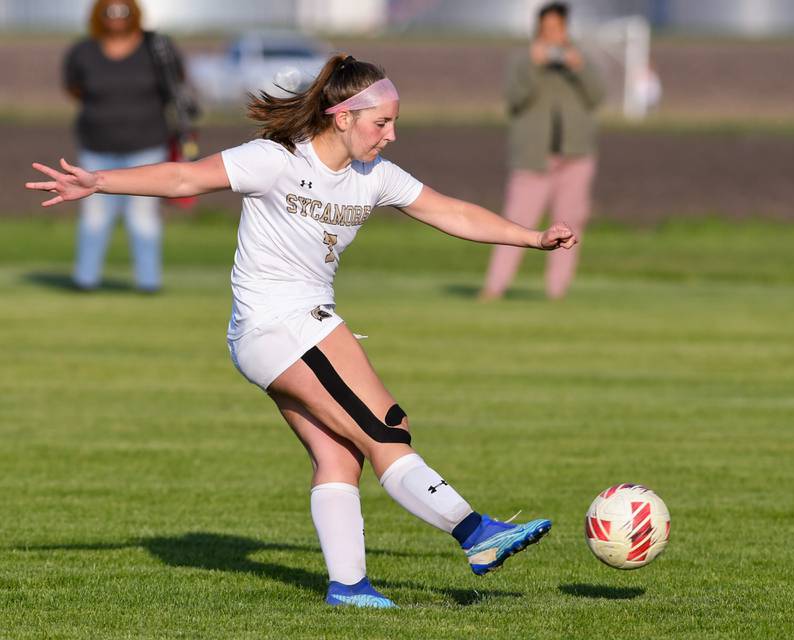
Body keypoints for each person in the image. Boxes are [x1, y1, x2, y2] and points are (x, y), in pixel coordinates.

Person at [27, 54, 578, 608]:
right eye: (381, 123)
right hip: (283, 323)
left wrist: (530, 239)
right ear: (343, 117)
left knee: (341, 456)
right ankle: (475, 533)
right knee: (388, 428)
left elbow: (452, 212)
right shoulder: (275, 160)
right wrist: (99, 182)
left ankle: (349, 587)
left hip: (276, 332)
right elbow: (183, 176)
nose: (392, 135)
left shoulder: (375, 177)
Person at [63, 0, 193, 292]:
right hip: (96, 146)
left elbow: (177, 83)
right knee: (95, 216)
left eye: (123, 12)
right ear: (99, 15)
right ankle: (85, 281)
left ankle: (148, 283)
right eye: (110, 12)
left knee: (143, 217)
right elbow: (73, 88)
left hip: (147, 145)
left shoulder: (156, 48)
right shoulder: (83, 52)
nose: (116, 18)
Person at [480, 1, 604, 301]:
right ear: (539, 30)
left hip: (575, 156)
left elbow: (597, 96)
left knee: (570, 226)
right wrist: (534, 67)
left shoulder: (579, 62)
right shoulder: (522, 61)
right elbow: (514, 99)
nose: (553, 35)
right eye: (547, 29)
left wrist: (579, 68)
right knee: (514, 224)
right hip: (534, 158)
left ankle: (557, 291)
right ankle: (494, 287)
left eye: (558, 28)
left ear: (565, 29)